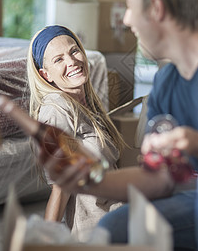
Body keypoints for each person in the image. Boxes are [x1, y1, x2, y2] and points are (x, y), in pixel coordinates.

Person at [29, 0, 198, 250]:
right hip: (193, 196)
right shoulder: (165, 84)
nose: (127, 20)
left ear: (156, 8)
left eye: (130, 7)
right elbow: (158, 179)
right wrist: (88, 180)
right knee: (115, 227)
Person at [26, 25, 126, 239]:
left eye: (73, 51)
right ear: (46, 75)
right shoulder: (56, 111)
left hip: (122, 214)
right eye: (58, 59)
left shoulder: (86, 104)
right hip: (99, 231)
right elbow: (60, 189)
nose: (71, 62)